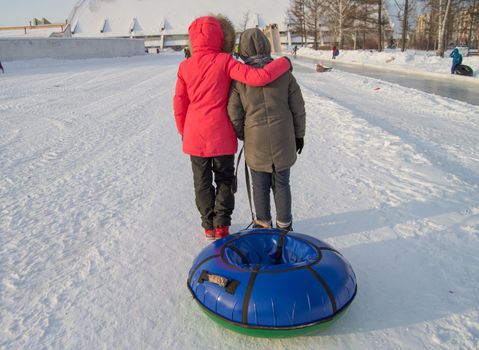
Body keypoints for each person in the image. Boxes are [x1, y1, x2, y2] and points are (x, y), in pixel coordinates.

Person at [173, 16, 291, 240]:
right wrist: (284, 63)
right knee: (225, 179)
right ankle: (222, 225)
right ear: (221, 36)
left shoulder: (184, 66)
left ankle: (208, 225)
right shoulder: (225, 61)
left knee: (202, 182)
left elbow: (179, 103)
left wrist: (183, 131)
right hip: (221, 134)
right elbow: (259, 77)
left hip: (195, 136)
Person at [227, 28, 306, 231]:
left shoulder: (240, 80)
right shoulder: (285, 75)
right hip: (283, 138)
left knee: (259, 185)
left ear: (243, 50)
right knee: (281, 183)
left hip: (256, 140)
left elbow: (234, 114)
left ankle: (262, 224)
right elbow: (298, 108)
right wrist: (299, 135)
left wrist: (245, 134)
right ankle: (284, 225)